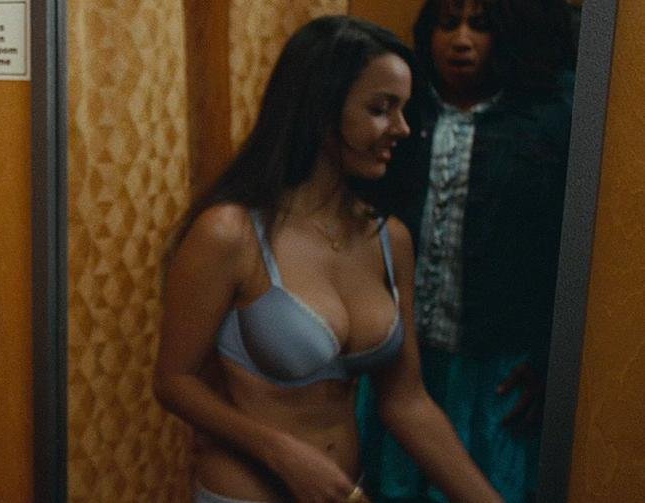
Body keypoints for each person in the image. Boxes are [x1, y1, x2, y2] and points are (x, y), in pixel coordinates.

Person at [154, 15, 502, 503]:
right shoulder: (231, 232)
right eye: (381, 109)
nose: (402, 129)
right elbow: (175, 381)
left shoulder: (389, 239)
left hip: (342, 491)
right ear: (320, 110)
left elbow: (406, 402)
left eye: (404, 110)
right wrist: (282, 453)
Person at [356, 0, 575, 500]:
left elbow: (565, 247)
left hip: (496, 363)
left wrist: (551, 358)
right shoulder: (401, 115)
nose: (461, 40)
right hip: (401, 353)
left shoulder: (547, 120)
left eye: (480, 25)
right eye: (447, 23)